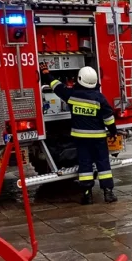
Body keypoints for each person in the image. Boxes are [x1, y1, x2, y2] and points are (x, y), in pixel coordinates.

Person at [40, 64, 118, 204]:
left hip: (81, 139)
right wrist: (113, 131)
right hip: (98, 139)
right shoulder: (99, 98)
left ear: (80, 79)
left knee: (85, 165)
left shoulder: (72, 95)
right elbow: (108, 118)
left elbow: (57, 87)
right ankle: (108, 193)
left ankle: (87, 195)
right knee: (103, 164)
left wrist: (46, 74)